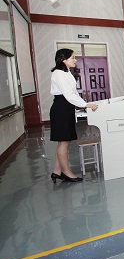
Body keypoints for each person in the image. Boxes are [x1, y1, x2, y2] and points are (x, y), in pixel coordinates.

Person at [50, 48, 99, 183]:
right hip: (61, 108)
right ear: (63, 59)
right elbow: (68, 95)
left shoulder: (66, 73)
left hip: (66, 107)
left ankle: (56, 171)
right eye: (72, 58)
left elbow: (74, 94)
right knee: (63, 142)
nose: (75, 60)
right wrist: (85, 105)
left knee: (63, 141)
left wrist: (83, 104)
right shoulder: (59, 73)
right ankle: (66, 172)